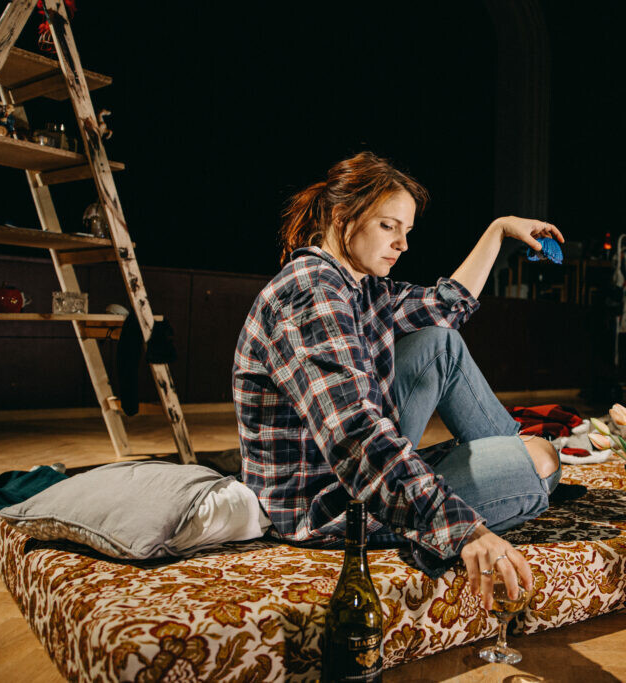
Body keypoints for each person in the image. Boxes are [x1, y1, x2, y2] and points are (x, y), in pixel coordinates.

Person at [233, 151, 565, 608]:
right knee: (543, 460)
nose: (403, 244)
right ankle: (515, 471)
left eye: (406, 230)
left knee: (439, 342)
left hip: (351, 474)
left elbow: (445, 307)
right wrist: (460, 528)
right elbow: (355, 436)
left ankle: (509, 462)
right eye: (389, 226)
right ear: (342, 217)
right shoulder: (312, 293)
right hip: (329, 503)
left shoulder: (359, 286)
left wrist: (499, 229)